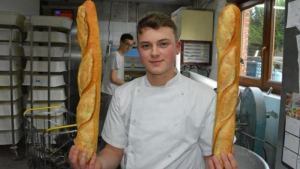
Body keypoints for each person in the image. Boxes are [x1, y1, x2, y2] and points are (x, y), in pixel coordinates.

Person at [69, 12, 238, 169]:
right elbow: (114, 150)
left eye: (163, 44)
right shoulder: (123, 95)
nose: (154, 53)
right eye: (146, 46)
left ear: (178, 47)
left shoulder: (205, 97)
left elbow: (210, 156)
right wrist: (96, 165)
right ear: (139, 49)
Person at [99, 33, 134, 150]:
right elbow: (113, 78)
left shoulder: (119, 56)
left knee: (110, 122)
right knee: (107, 123)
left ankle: (106, 149)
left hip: (111, 92)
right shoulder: (116, 56)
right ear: (121, 42)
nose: (128, 48)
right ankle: (103, 151)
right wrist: (128, 85)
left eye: (131, 46)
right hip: (109, 93)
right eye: (127, 44)